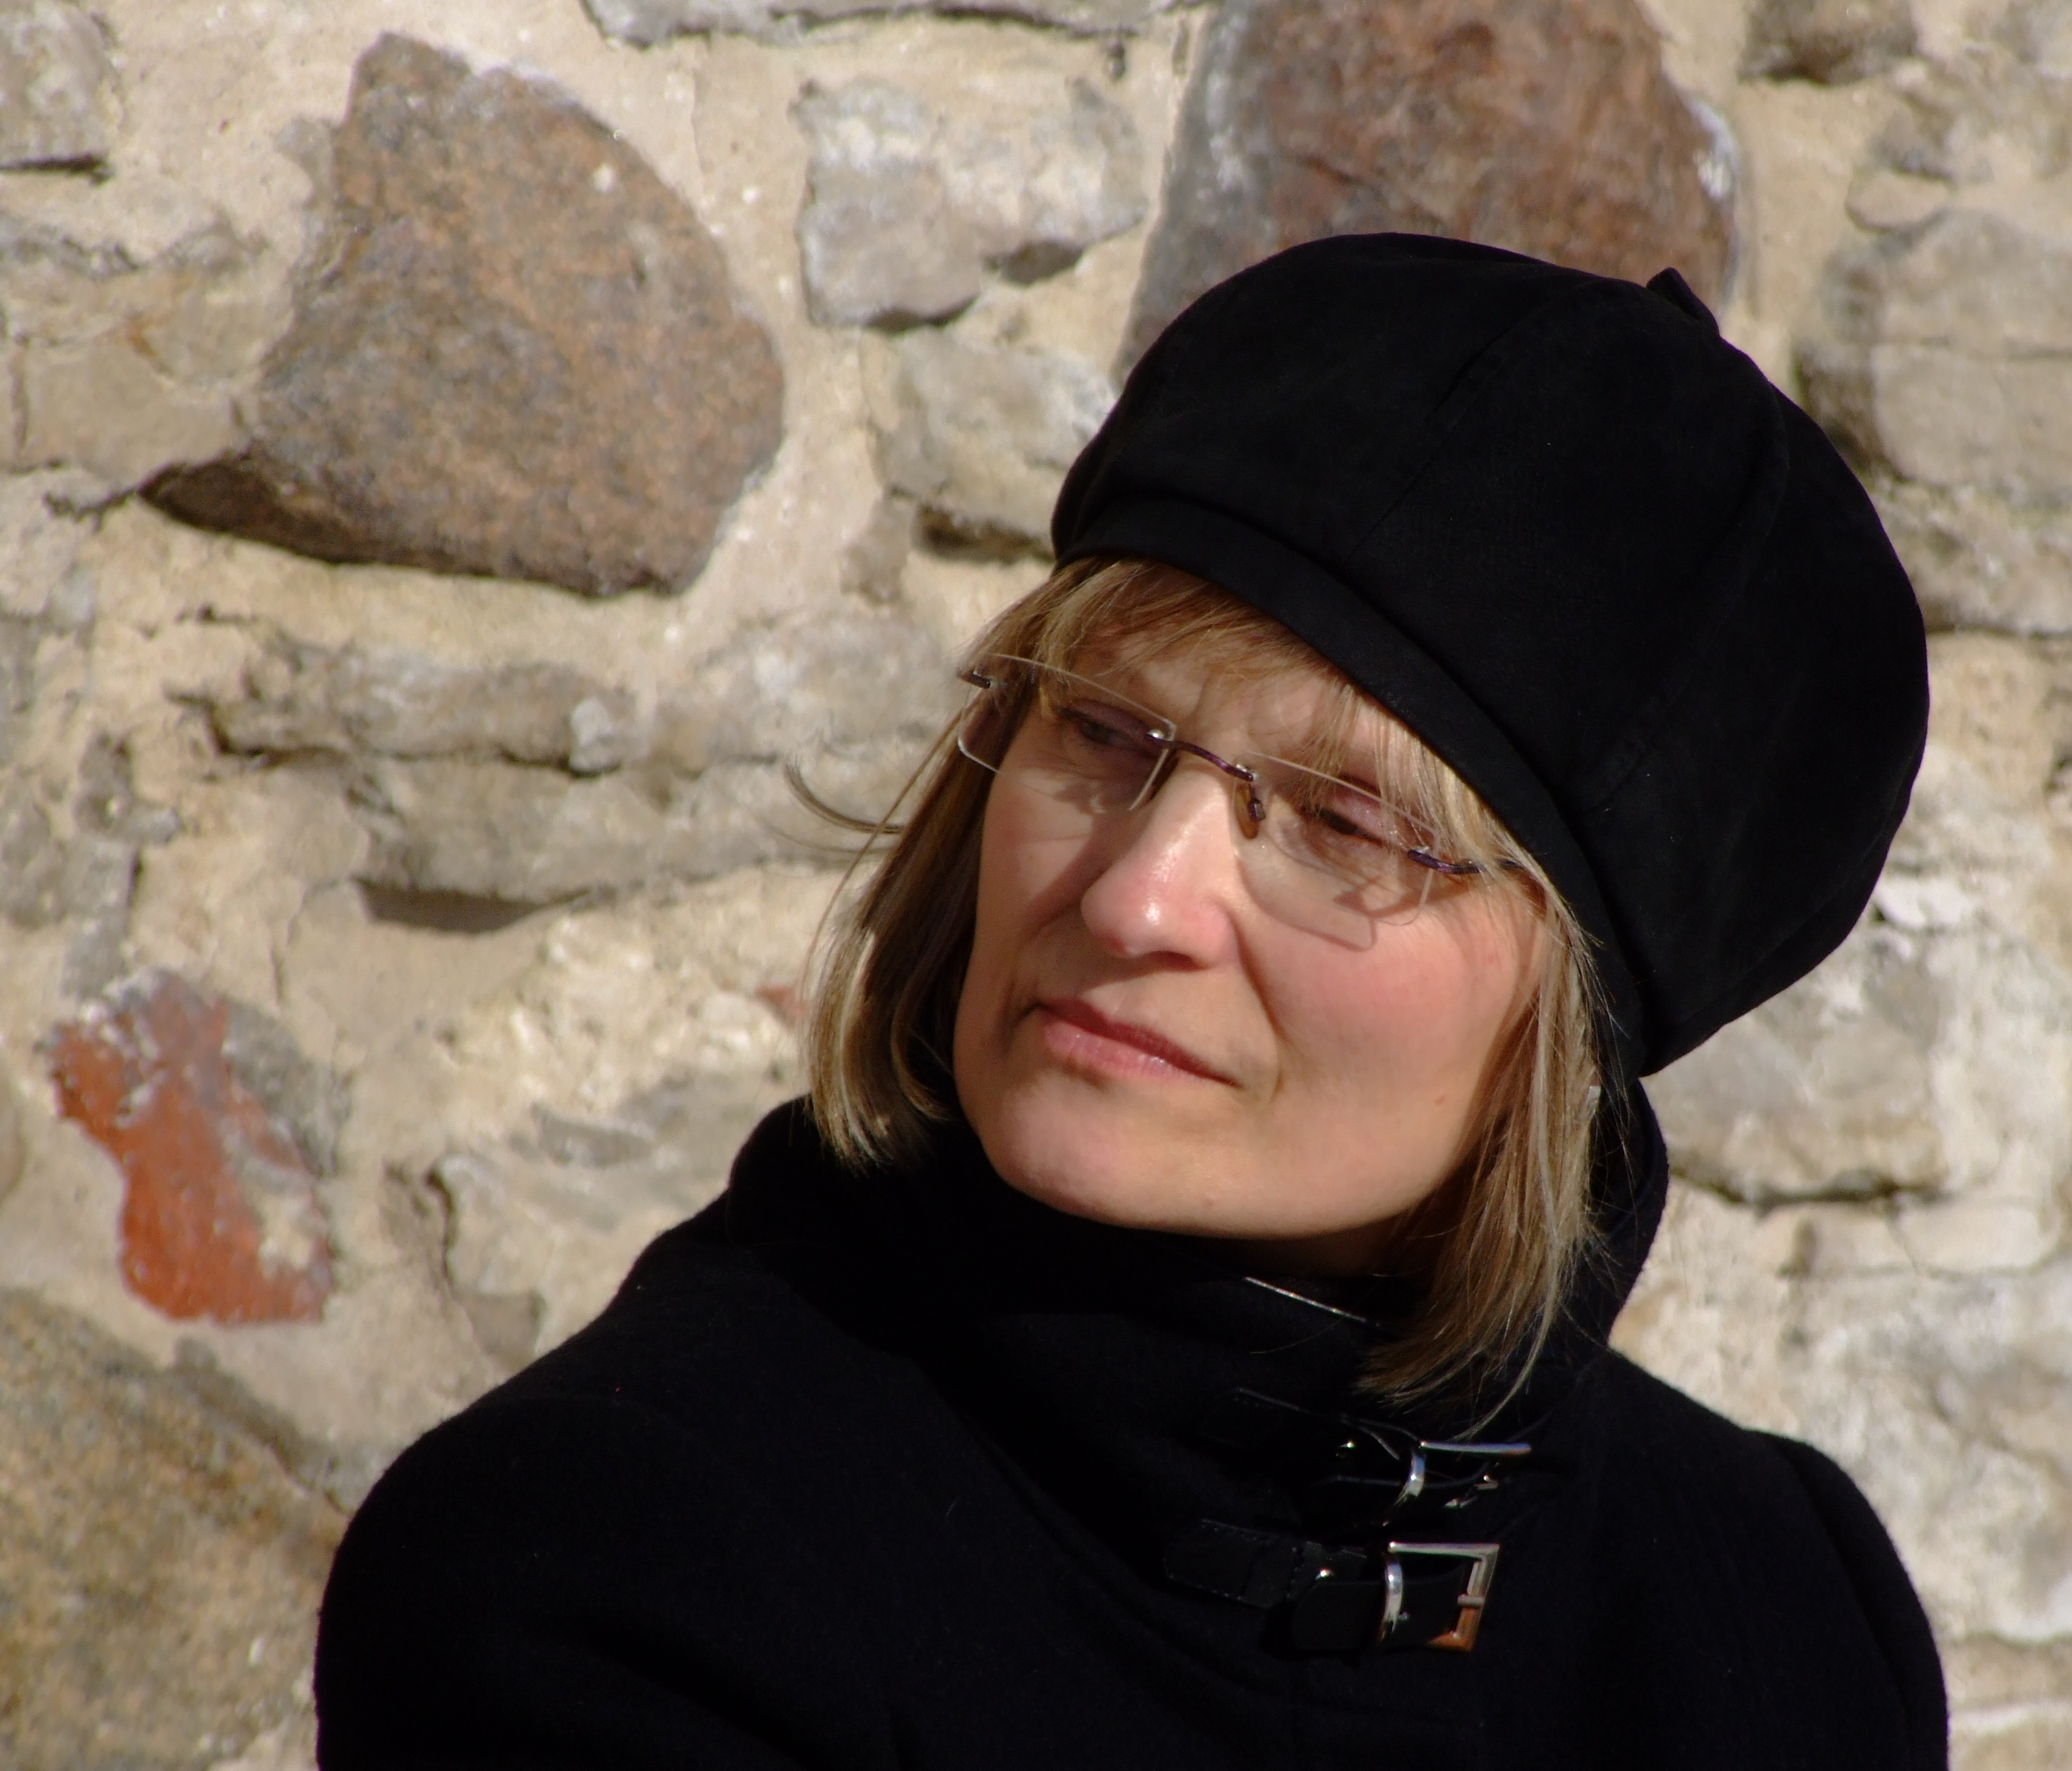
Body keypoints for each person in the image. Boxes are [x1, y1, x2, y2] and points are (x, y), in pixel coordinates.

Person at [315, 234, 1940, 1768]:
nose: (1133, 900)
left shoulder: (1779, 1616)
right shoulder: (615, 1573)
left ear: (1579, 1011)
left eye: (1348, 826)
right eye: (1101, 733)